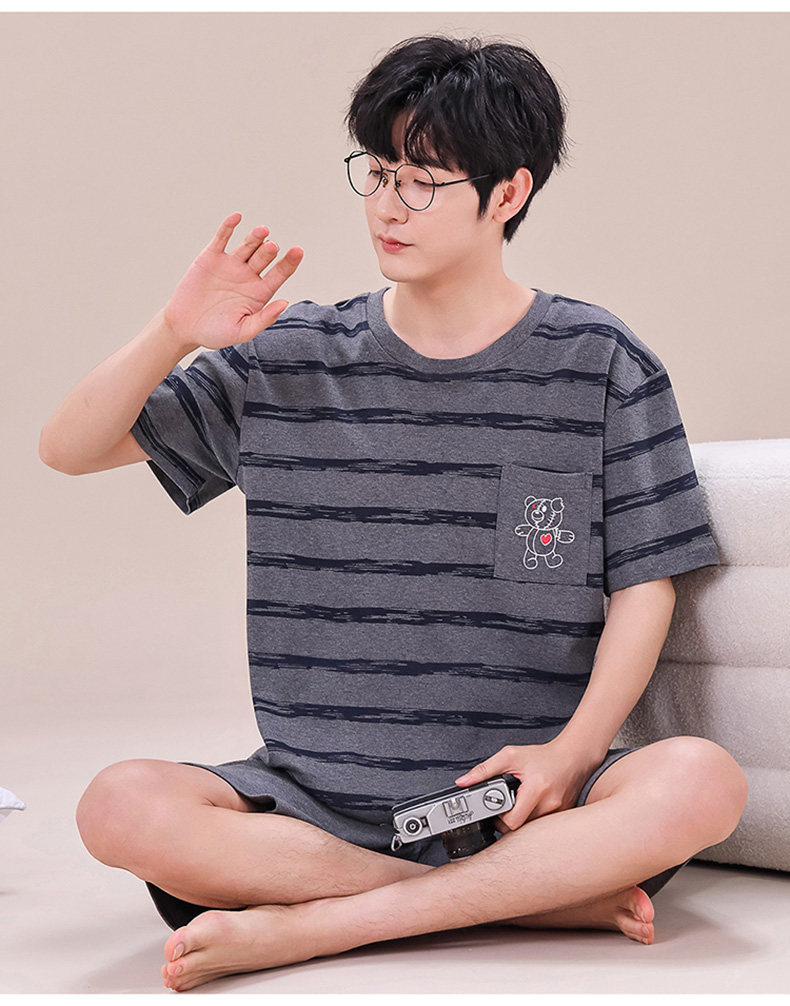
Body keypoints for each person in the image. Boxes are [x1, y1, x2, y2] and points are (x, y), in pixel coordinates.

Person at [41, 34, 748, 992]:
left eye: (422, 182)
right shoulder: (288, 356)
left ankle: (324, 925)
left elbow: (646, 584)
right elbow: (70, 448)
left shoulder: (601, 362)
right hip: (313, 810)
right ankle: (518, 901)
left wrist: (570, 756)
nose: (385, 206)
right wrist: (173, 331)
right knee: (118, 807)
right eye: (376, 172)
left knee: (702, 781)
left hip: (527, 804)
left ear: (509, 193)